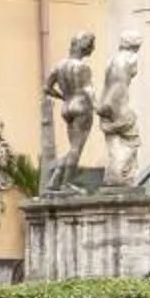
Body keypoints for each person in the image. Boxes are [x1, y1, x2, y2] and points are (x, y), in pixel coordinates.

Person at [45, 30, 97, 188]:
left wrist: (63, 97)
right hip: (81, 106)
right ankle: (66, 183)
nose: (93, 48)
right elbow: (88, 90)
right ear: (85, 47)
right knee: (76, 148)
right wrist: (98, 106)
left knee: (72, 147)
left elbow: (47, 88)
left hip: (67, 107)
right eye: (91, 45)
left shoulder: (59, 66)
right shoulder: (83, 67)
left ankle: (56, 178)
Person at [98, 31, 145, 188]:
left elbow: (110, 85)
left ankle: (115, 175)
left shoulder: (112, 59)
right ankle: (120, 175)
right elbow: (118, 87)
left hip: (107, 103)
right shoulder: (130, 58)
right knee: (132, 137)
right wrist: (115, 112)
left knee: (115, 143)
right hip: (117, 105)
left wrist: (104, 107)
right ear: (135, 46)